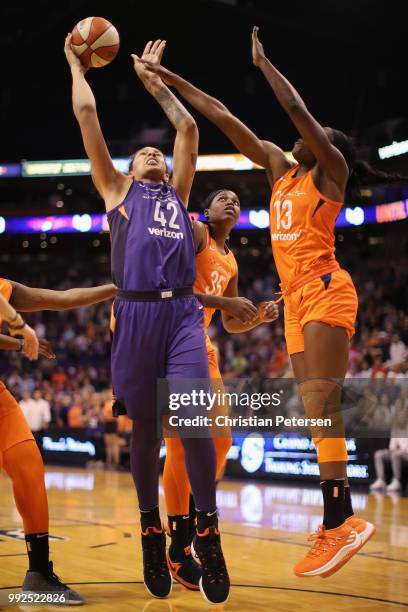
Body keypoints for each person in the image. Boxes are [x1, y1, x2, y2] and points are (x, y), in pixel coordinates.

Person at [140, 26, 407, 578]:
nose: (300, 136)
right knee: (314, 411)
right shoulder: (280, 172)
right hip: (293, 301)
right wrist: (169, 79)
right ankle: (338, 522)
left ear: (327, 146)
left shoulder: (328, 173)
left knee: (321, 401)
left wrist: (264, 65)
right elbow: (221, 115)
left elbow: (295, 107)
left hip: (327, 288)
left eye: (315, 134)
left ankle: (343, 519)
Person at [65, 36, 229, 604]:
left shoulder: (181, 196)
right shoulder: (117, 190)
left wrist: (157, 86)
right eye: (144, 155)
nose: (154, 156)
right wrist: (74, 65)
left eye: (155, 155)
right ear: (130, 168)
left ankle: (206, 530)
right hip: (133, 316)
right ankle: (150, 532)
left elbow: (187, 131)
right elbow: (86, 113)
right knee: (145, 431)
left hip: (182, 312)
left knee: (191, 420)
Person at [163, 189, 278, 589]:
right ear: (206, 212)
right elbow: (170, 289)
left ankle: (195, 520)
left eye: (236, 200)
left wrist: (257, 318)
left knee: (222, 440)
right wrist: (225, 304)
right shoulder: (195, 234)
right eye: (222, 198)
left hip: (203, 346)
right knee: (181, 443)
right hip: (172, 341)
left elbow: (228, 322)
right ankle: (177, 547)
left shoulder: (231, 259)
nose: (231, 201)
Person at [0, 277, 116, 603]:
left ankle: (38, 573)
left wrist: (115, 287)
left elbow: (63, 297)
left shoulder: (4, 287)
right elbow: (11, 318)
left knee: (29, 465)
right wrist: (19, 328)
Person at [370, 403, 408, 492]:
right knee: (379, 454)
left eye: (403, 416)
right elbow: (392, 445)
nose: (401, 418)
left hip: (405, 454)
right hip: (398, 453)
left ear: (406, 417)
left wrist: (398, 451)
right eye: (399, 416)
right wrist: (391, 449)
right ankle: (380, 479)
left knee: (396, 454)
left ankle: (396, 481)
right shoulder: (395, 428)